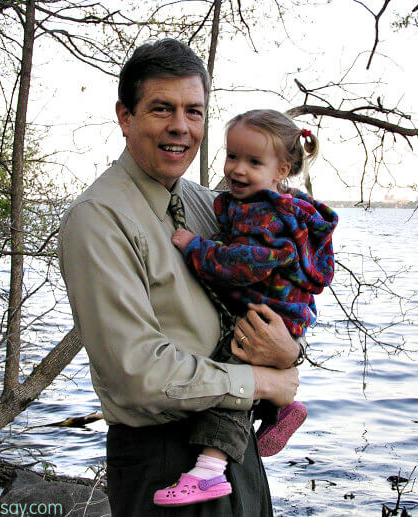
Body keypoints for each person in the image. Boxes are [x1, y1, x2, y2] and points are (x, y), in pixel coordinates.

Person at [58, 39, 302, 517]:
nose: (180, 127)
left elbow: (267, 293)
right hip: (162, 461)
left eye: (194, 111)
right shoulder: (98, 219)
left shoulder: (209, 204)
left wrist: (288, 353)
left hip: (234, 454)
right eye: (161, 109)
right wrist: (259, 382)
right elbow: (137, 373)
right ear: (125, 117)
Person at [154, 109, 337, 507]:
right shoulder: (278, 208)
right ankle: (280, 409)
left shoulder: (267, 214)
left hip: (267, 314)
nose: (237, 169)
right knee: (249, 380)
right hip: (284, 315)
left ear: (281, 170)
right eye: (232, 156)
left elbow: (243, 264)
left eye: (253, 162)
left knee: (233, 377)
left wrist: (196, 247)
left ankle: (209, 469)